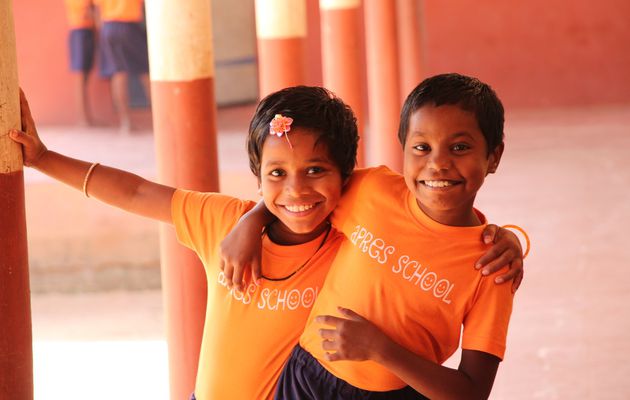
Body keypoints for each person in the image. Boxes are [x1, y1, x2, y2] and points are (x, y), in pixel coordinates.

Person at [12, 83, 521, 399]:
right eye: (275, 174)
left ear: (347, 177)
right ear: (256, 176)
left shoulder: (349, 236)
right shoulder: (222, 223)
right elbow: (137, 190)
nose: (297, 190)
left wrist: (511, 241)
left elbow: (425, 232)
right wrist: (42, 158)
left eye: (317, 171)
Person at [220, 73, 527, 399]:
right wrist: (251, 221)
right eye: (421, 147)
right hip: (307, 380)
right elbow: (306, 194)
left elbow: (472, 392)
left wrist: (382, 350)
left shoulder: (493, 267)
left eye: (460, 147)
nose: (438, 164)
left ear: (493, 156)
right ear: (403, 149)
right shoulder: (372, 191)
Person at [93, 0, 151, 133]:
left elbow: (97, 9)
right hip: (129, 25)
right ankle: (160, 118)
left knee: (118, 72)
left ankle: (126, 123)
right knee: (145, 70)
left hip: (108, 27)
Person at [64, 0, 97, 126]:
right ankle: (83, 119)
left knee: (84, 78)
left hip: (84, 31)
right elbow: (86, 13)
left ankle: (86, 118)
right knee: (81, 77)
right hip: (80, 31)